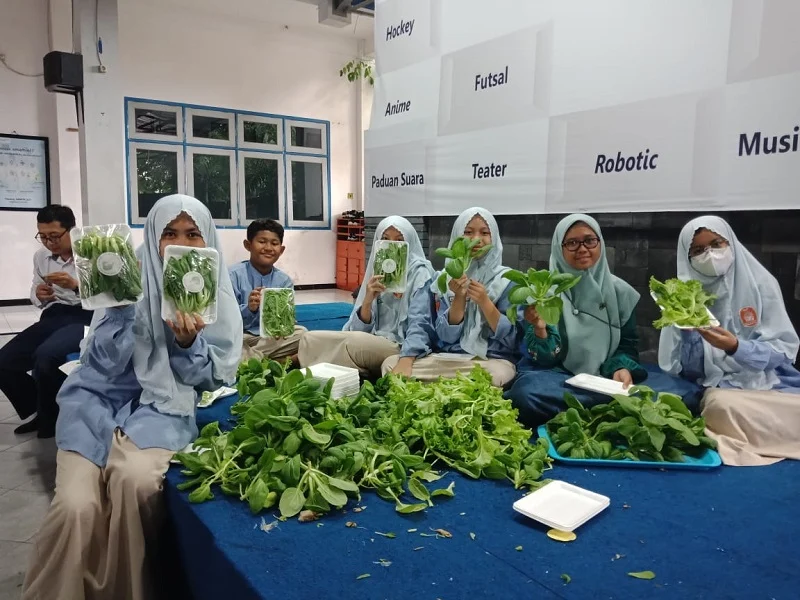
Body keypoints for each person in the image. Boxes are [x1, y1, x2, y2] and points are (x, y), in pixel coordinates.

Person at [21, 195, 242, 600]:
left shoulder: (211, 294)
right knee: (76, 506)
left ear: (206, 238)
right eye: (168, 233)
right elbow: (101, 365)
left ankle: (128, 589)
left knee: (136, 482)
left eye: (192, 234)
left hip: (162, 406)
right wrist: (121, 310)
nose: (181, 243)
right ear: (153, 238)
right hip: (94, 403)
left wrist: (187, 342)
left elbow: (209, 378)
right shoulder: (124, 278)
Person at [506, 214, 700, 427]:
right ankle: (616, 413)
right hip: (559, 378)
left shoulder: (621, 293)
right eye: (571, 243)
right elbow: (543, 359)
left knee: (686, 395)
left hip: (608, 381)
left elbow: (627, 346)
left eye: (590, 240)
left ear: (600, 243)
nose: (582, 248)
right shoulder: (544, 293)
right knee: (525, 395)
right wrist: (541, 330)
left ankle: (588, 413)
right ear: (558, 249)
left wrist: (619, 368)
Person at [659, 216, 800, 466]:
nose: (710, 255)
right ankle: (773, 435)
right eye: (698, 250)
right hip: (723, 391)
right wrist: (691, 334)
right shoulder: (680, 298)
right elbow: (685, 371)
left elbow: (783, 351)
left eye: (716, 244)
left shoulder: (762, 285)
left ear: (731, 243)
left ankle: (759, 435)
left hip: (770, 386)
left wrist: (736, 347)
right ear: (687, 257)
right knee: (720, 406)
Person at [396, 207, 519, 387]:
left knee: (496, 374)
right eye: (468, 232)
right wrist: (459, 299)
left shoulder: (507, 280)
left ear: (494, 238)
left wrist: (485, 302)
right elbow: (438, 333)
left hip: (488, 361)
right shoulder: (442, 280)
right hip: (446, 359)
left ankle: (445, 385)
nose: (476, 239)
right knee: (390, 363)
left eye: (484, 233)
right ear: (456, 238)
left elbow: (512, 341)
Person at [299, 216, 435, 378]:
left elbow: (421, 325)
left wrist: (407, 357)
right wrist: (368, 299)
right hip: (373, 340)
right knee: (310, 338)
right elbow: (357, 329)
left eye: (399, 241)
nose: (392, 246)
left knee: (349, 344)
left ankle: (310, 372)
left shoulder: (420, 273)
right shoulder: (379, 270)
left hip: (400, 346)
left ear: (410, 242)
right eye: (385, 239)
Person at [0, 204, 93, 438]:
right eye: (43, 236)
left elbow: (110, 295)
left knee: (46, 356)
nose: (49, 242)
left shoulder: (92, 253)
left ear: (71, 230)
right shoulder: (41, 256)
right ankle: (41, 410)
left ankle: (51, 419)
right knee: (4, 361)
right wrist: (39, 295)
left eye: (54, 236)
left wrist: (75, 286)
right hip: (56, 314)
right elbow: (35, 291)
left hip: (87, 316)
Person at [229, 219, 306, 364]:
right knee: (226, 340)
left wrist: (284, 324)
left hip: (270, 340)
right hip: (241, 336)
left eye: (274, 243)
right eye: (262, 241)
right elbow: (226, 320)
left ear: (281, 250)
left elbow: (286, 321)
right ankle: (279, 361)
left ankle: (248, 361)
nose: (268, 248)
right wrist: (249, 308)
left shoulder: (284, 281)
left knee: (302, 334)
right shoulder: (232, 276)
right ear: (248, 245)